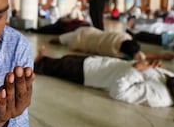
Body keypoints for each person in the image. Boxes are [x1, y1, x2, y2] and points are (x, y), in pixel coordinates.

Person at [34, 46, 174, 107]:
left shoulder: (159, 96)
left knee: (60, 66)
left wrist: (135, 70)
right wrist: (156, 66)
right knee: (68, 58)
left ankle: (33, 65)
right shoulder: (170, 78)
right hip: (104, 64)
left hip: (92, 74)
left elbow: (118, 92)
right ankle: (42, 60)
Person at [49, 26, 174, 60]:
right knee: (59, 40)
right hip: (82, 40)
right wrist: (161, 56)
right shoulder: (115, 53)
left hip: (87, 31)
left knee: (59, 39)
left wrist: (162, 56)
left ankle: (55, 39)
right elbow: (141, 56)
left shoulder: (125, 36)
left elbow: (137, 53)